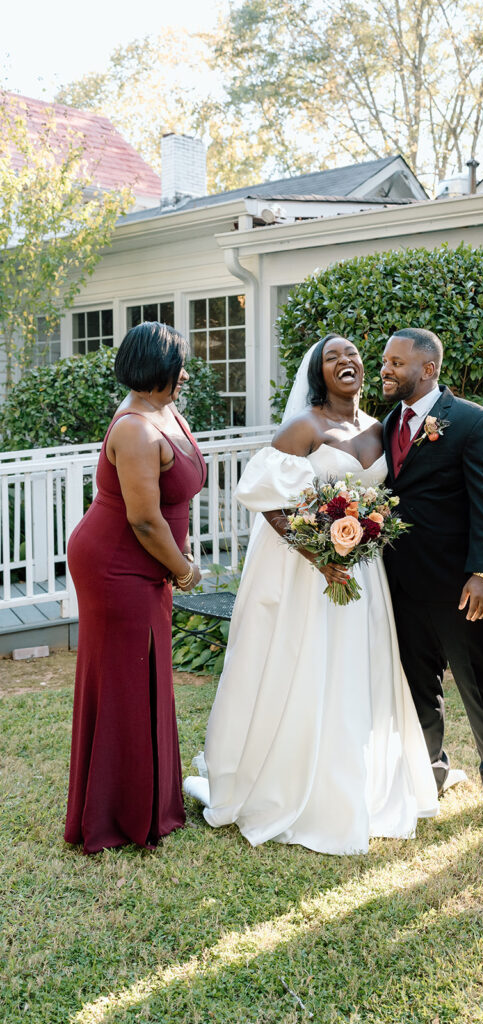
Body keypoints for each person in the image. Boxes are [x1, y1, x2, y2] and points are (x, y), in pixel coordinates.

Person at [184, 334, 439, 854]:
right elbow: (265, 496)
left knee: (355, 670)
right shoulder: (305, 426)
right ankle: (295, 784)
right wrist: (321, 557)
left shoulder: (380, 426)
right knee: (306, 668)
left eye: (351, 355)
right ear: (318, 373)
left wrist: (356, 543)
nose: (345, 362)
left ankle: (360, 781)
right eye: (331, 357)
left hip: (365, 574)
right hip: (308, 574)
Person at [65, 322, 206, 854]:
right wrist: (184, 570)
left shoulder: (162, 411)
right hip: (116, 563)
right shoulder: (135, 429)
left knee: (147, 675)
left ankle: (149, 799)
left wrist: (173, 564)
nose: (185, 375)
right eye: (178, 366)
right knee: (125, 680)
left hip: (147, 561)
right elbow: (146, 521)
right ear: (154, 370)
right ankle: (116, 815)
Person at [381, 327, 483, 830]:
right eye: (386, 361)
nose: (387, 369)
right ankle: (429, 776)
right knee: (420, 687)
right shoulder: (387, 424)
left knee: (481, 686)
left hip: (461, 589)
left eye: (398, 362)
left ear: (429, 369)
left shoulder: (469, 421)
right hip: (400, 586)